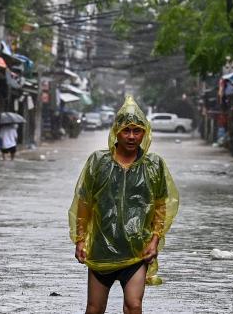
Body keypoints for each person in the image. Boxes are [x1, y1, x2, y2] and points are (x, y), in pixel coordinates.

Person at [69, 96, 179, 314]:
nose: (131, 136)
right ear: (116, 132)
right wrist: (80, 240)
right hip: (101, 249)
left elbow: (160, 207)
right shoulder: (98, 162)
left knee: (134, 305)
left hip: (137, 250)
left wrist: (154, 241)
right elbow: (84, 203)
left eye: (137, 131)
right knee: (94, 308)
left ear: (144, 133)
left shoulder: (154, 165)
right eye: (126, 130)